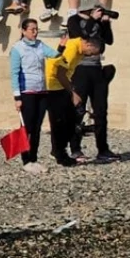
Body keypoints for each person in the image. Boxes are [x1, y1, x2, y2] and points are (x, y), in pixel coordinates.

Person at [66, 0, 116, 162]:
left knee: (101, 110)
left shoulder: (98, 22)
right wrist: (92, 20)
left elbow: (108, 40)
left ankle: (103, 148)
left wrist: (105, 23)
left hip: (96, 68)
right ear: (89, 9)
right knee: (78, 110)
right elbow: (81, 38)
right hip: (80, 69)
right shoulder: (74, 21)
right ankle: (75, 149)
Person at [8, 19, 59, 173]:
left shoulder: (40, 45)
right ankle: (25, 160)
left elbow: (55, 54)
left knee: (37, 128)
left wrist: (63, 46)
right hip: (26, 92)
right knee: (27, 127)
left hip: (41, 91)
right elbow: (14, 73)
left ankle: (34, 158)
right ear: (23, 31)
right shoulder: (17, 49)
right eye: (32, 29)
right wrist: (17, 97)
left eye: (36, 29)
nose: (35, 32)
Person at [44, 32, 94, 168]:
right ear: (87, 43)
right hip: (53, 86)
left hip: (59, 85)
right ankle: (59, 153)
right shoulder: (72, 48)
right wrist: (73, 93)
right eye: (92, 51)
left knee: (68, 120)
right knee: (60, 122)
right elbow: (59, 73)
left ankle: (59, 151)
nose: (91, 55)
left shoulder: (78, 49)